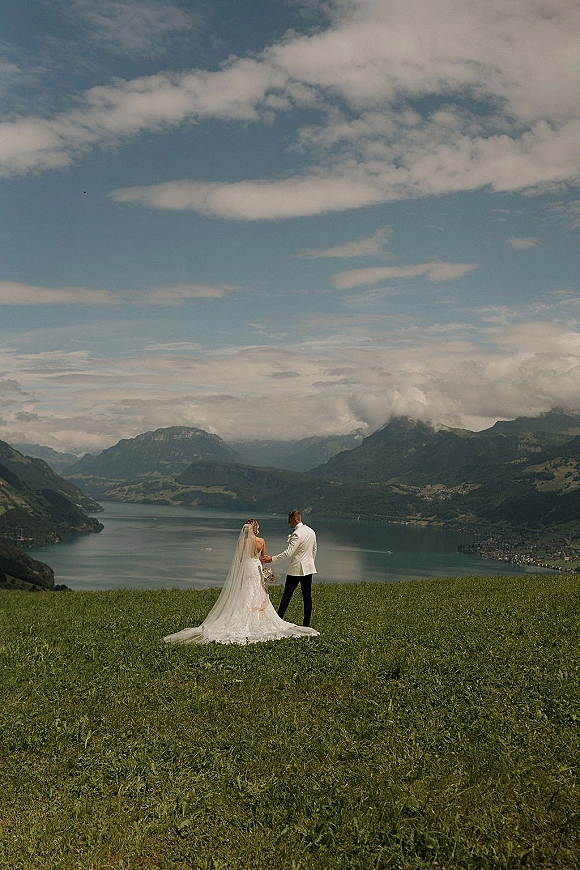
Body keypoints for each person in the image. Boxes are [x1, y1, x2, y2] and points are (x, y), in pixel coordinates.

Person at [163, 519, 319, 645]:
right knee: (259, 593)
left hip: (246, 569)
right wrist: (265, 571)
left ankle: (241, 616)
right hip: (256, 568)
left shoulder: (240, 543)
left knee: (244, 592)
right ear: (255, 528)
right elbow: (262, 559)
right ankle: (261, 619)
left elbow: (239, 560)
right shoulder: (261, 541)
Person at [262, 510, 317, 627]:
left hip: (297, 568)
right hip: (308, 568)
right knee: (307, 596)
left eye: (290, 521)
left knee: (287, 594)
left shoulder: (297, 533)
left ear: (295, 520)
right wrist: (310, 563)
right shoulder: (311, 531)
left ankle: (279, 619)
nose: (288, 523)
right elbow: (314, 550)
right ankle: (306, 623)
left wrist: (272, 559)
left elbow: (288, 553)